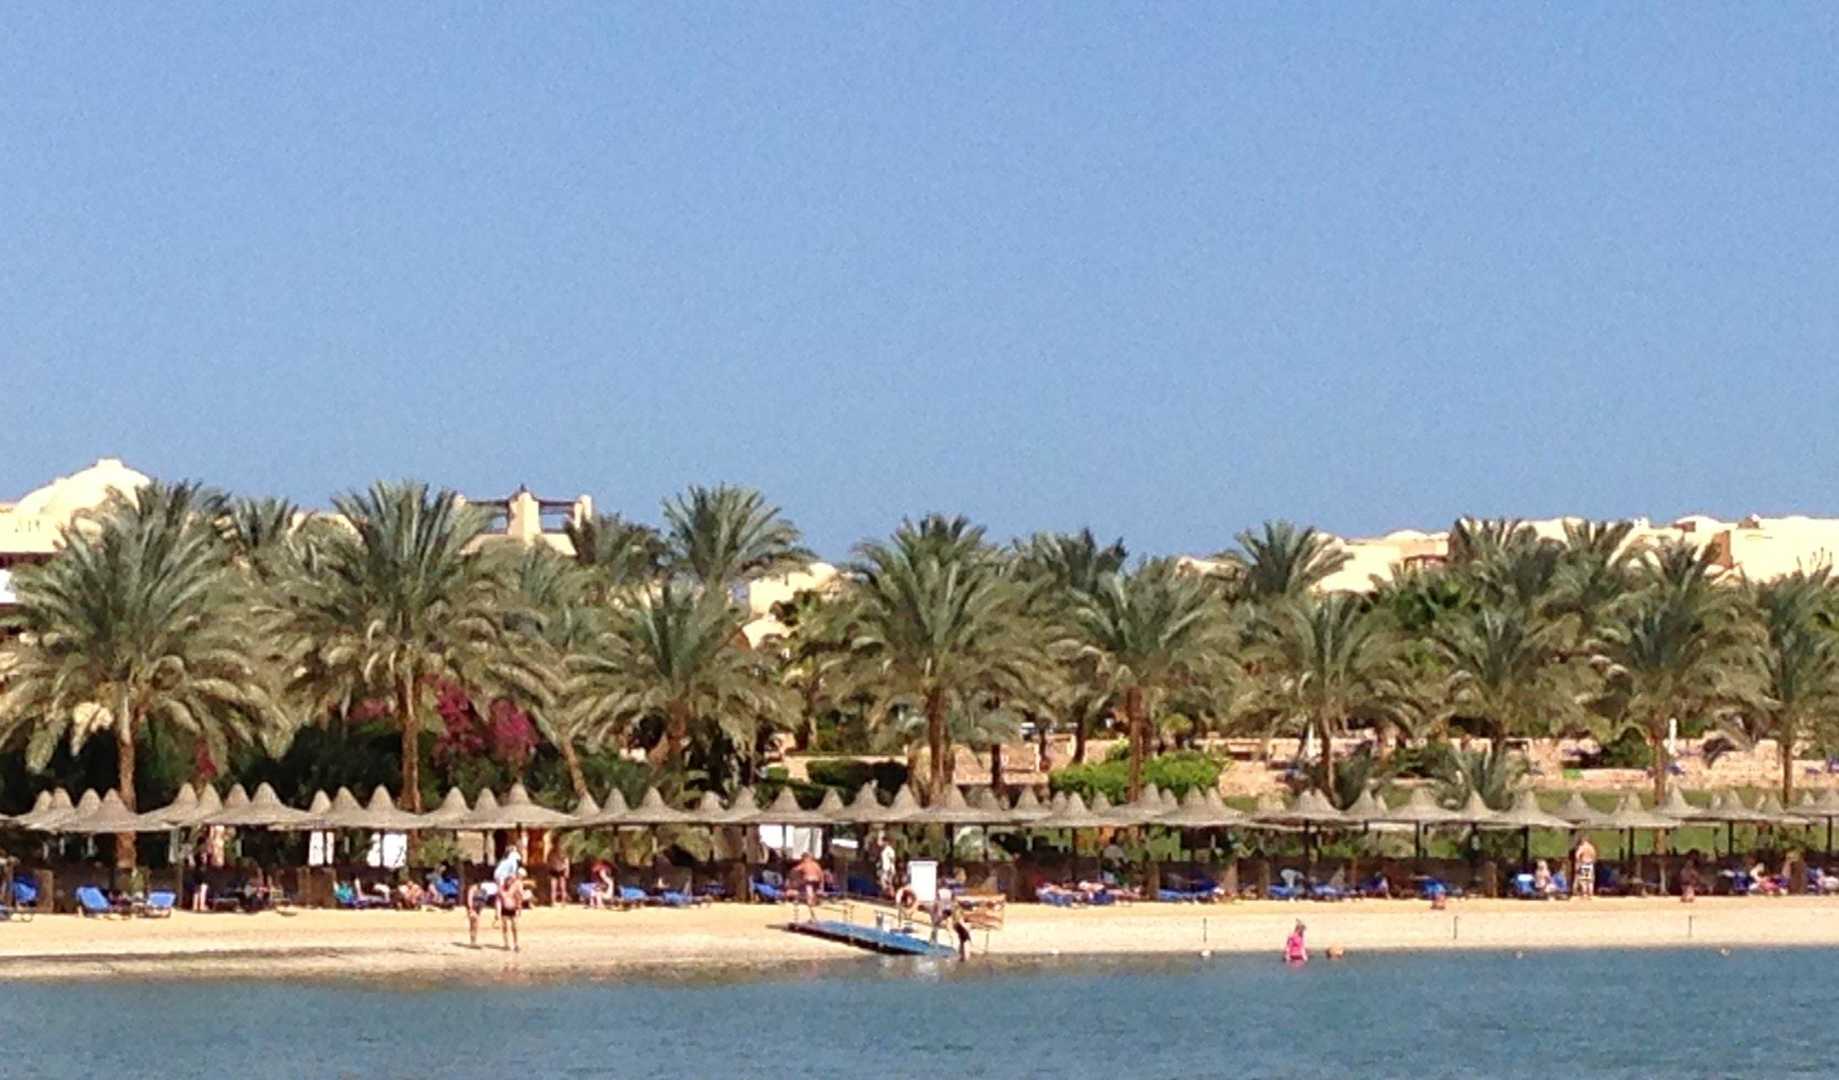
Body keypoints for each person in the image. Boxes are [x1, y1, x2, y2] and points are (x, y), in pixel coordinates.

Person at [789, 851, 825, 923]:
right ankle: (813, 916)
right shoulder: (816, 865)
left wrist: (795, 879)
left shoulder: (804, 864)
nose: (801, 859)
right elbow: (821, 875)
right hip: (816, 882)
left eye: (802, 858)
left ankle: (814, 917)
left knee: (809, 901)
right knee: (811, 899)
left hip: (809, 883)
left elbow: (793, 871)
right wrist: (821, 887)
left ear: (805, 858)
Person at [464, 879, 499, 947]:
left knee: (476, 925)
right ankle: (472, 941)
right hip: (473, 908)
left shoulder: (482, 890)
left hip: (478, 909)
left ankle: (473, 941)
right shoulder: (472, 889)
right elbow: (469, 899)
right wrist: (471, 909)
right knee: (473, 924)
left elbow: (485, 899)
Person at [498, 872, 524, 952]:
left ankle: (516, 944)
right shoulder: (502, 889)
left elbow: (519, 899)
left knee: (514, 927)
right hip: (504, 909)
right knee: (505, 926)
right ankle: (506, 943)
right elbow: (499, 900)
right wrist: (497, 911)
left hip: (513, 908)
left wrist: (519, 908)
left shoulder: (514, 889)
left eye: (511, 880)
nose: (509, 882)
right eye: (508, 880)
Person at [547, 842, 570, 906]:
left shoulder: (562, 852)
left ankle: (563, 902)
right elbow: (548, 861)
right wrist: (549, 870)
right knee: (553, 887)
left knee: (562, 887)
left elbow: (566, 861)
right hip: (553, 870)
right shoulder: (551, 852)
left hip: (561, 870)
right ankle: (553, 902)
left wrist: (567, 871)